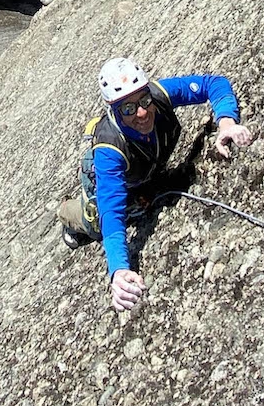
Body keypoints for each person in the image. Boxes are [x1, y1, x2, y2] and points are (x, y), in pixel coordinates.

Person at [58, 56, 251, 316]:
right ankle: (67, 213)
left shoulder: (159, 95)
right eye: (128, 108)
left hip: (145, 168)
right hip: (108, 178)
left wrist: (226, 121)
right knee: (96, 223)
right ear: (113, 109)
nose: (141, 112)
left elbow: (213, 83)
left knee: (146, 197)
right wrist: (119, 269)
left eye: (144, 101)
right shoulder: (109, 150)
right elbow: (112, 215)